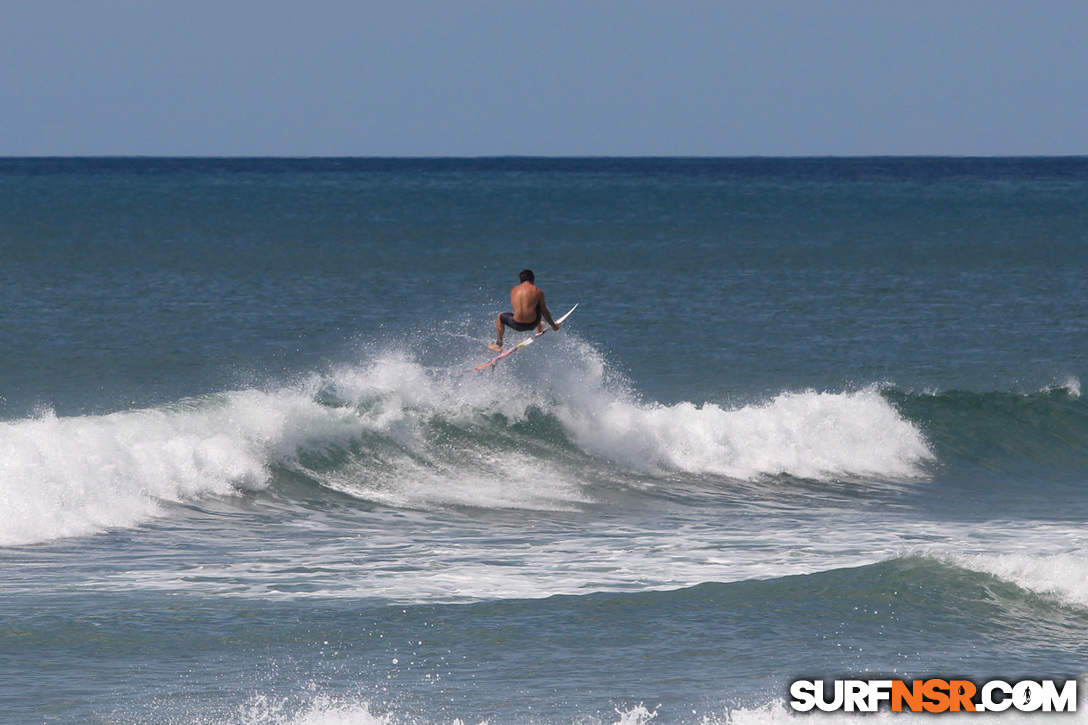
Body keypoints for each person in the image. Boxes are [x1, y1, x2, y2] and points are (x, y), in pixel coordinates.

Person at [488, 269, 559, 352]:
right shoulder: (537, 291)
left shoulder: (514, 290)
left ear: (521, 280)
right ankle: (539, 327)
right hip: (532, 324)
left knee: (500, 316)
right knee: (537, 305)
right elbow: (544, 311)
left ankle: (498, 345)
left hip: (516, 325)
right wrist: (553, 325)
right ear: (533, 279)